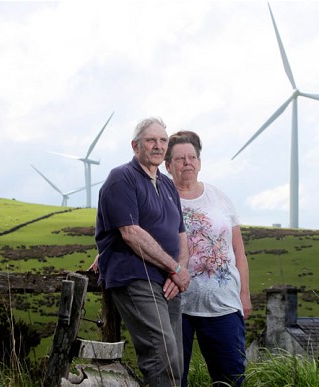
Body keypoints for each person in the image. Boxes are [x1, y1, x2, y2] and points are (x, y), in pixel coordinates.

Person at [94, 116, 191, 386]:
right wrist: (174, 268)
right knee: (162, 355)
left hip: (169, 281)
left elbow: (181, 234)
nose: (159, 146)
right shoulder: (122, 178)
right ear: (135, 145)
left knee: (176, 361)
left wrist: (178, 271)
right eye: (151, 140)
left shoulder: (168, 184)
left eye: (163, 140)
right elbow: (130, 232)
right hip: (136, 276)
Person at [164, 130, 252, 387]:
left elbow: (239, 252)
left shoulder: (220, 198)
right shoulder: (160, 199)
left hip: (223, 304)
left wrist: (244, 294)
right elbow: (136, 233)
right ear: (168, 166)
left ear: (200, 162)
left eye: (192, 157)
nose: (187, 162)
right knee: (173, 379)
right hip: (177, 306)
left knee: (230, 379)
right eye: (180, 159)